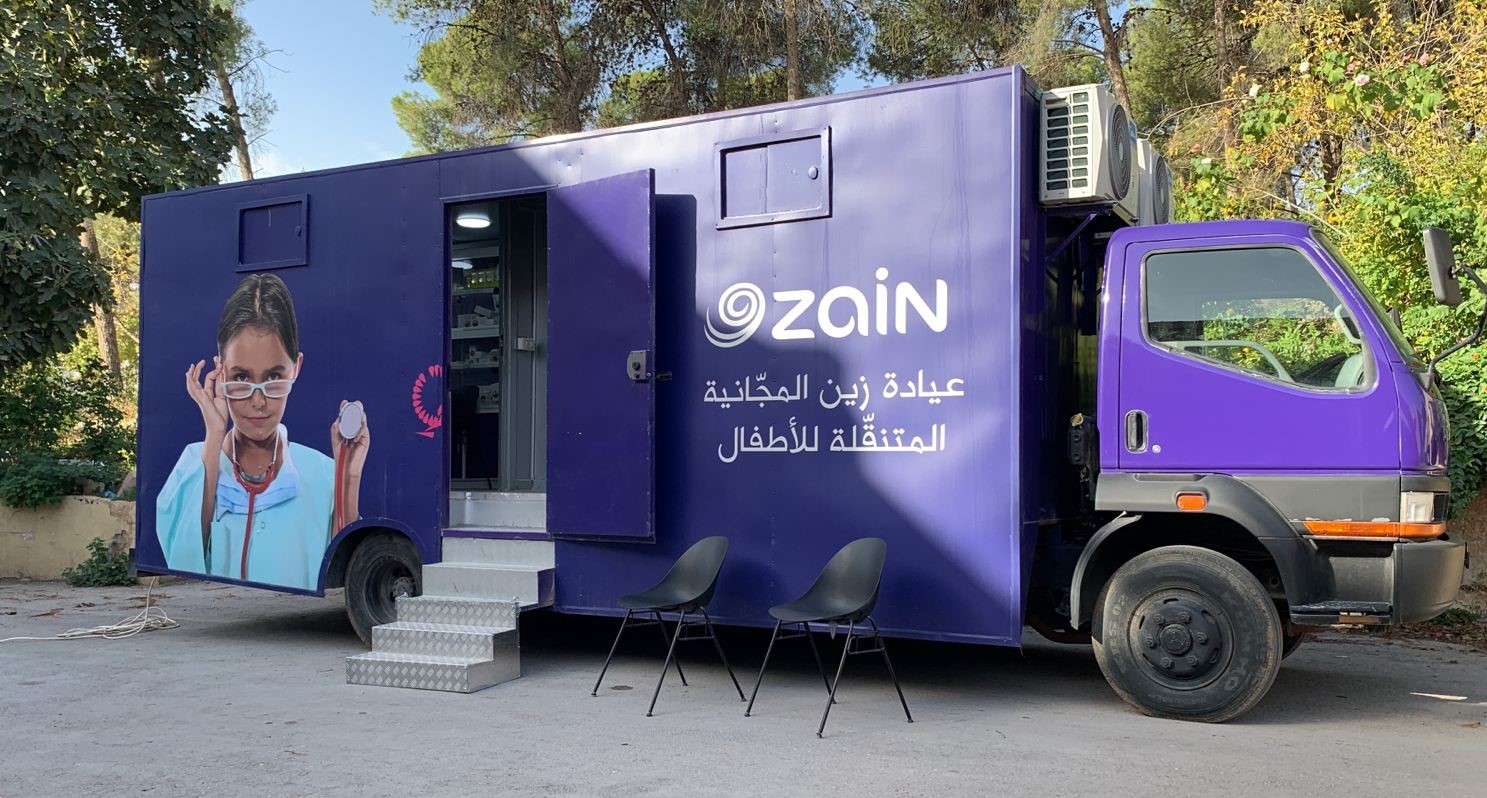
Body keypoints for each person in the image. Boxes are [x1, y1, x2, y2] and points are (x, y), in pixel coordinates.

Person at [156, 273, 370, 590]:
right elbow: (184, 562)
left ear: (296, 368)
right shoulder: (195, 464)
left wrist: (348, 477)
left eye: (273, 377)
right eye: (241, 377)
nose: (258, 401)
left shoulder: (324, 474)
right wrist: (215, 434)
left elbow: (345, 578)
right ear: (221, 371)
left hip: (297, 622)